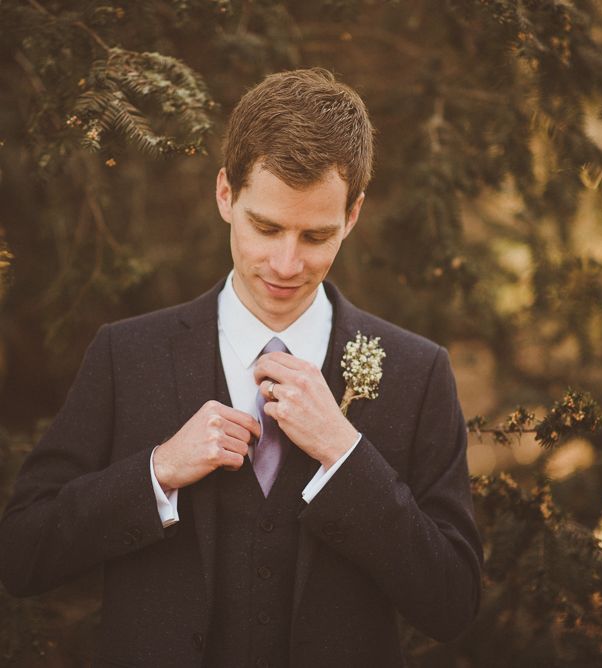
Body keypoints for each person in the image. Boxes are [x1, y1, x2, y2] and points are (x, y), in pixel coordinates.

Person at [0, 68, 482, 667]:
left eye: (316, 236)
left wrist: (347, 457)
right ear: (226, 194)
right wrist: (157, 473)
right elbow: (21, 553)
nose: (286, 262)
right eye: (267, 226)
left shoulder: (418, 371)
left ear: (353, 215)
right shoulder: (127, 355)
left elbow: (452, 603)